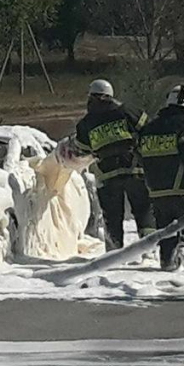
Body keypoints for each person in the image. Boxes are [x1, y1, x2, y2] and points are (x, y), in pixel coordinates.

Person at [75, 79, 155, 251]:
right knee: (143, 210)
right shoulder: (127, 111)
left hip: (107, 176)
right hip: (134, 170)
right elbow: (149, 128)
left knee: (112, 216)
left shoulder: (86, 123)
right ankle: (149, 248)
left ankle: (113, 252)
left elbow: (82, 149)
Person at [137, 85, 184, 271]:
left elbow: (139, 155)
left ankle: (167, 264)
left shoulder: (149, 128)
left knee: (166, 232)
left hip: (157, 193)